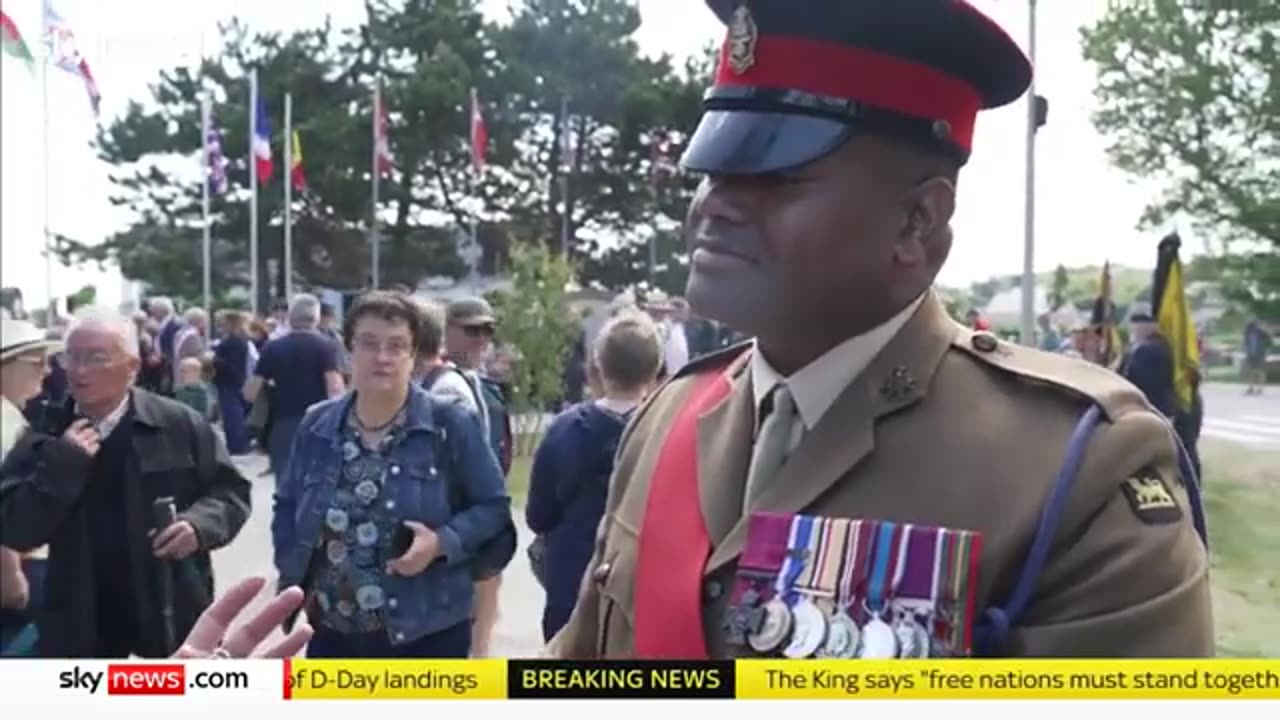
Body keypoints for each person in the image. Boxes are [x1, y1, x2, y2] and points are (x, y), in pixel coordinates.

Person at [549, 0, 1211, 660]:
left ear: (915, 222)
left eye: (776, 177)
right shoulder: (667, 417)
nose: (716, 205)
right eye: (714, 171)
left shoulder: (1078, 469)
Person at [0, 306, 252, 658]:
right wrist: (62, 467)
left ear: (132, 367)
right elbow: (14, 527)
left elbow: (231, 492)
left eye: (96, 358)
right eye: (70, 357)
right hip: (80, 620)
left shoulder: (176, 423)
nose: (78, 370)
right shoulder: (45, 430)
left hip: (169, 610)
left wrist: (199, 525)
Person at [272, 291, 513, 658]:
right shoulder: (318, 425)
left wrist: (441, 542)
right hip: (332, 632)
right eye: (369, 344)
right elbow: (287, 504)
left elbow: (493, 508)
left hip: (426, 631)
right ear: (348, 350)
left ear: (414, 354)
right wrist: (294, 572)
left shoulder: (449, 424)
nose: (382, 358)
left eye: (397, 346)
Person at [527, 310, 663, 641]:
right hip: (643, 585)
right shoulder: (666, 429)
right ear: (656, 368)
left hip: (572, 579)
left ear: (598, 364)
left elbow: (538, 515)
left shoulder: (564, 430)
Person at [444, 296, 513, 658]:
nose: (481, 339)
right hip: (456, 518)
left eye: (487, 330)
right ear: (449, 330)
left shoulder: (484, 386)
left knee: (484, 616)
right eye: (472, 330)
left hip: (485, 519)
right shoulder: (438, 383)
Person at [0, 316, 61, 655]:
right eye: (36, 361)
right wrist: (9, 573)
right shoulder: (5, 423)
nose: (47, 370)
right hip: (19, 566)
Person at [244, 294, 346, 484]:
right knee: (316, 483)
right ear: (316, 318)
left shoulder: (273, 348)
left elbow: (250, 392)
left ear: (290, 317)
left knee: (285, 484)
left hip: (283, 423)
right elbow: (335, 388)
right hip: (319, 422)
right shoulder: (327, 347)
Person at [1121, 312, 1177, 419]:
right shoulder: (1163, 345)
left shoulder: (1145, 350)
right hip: (1164, 407)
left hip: (1150, 408)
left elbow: (1136, 380)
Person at [212, 310, 253, 455]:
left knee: (232, 413)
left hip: (230, 381)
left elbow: (232, 365)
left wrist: (214, 359)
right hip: (230, 380)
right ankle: (235, 443)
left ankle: (236, 444)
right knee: (231, 412)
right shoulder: (235, 340)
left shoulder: (235, 341)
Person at [1243, 319, 1271, 395]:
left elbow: (1269, 342)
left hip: (1260, 354)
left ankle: (1260, 389)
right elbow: (1246, 344)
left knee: (1260, 372)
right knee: (1250, 372)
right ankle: (1251, 388)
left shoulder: (1262, 333)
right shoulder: (1247, 333)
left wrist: (1267, 351)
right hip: (1250, 354)